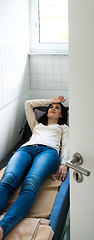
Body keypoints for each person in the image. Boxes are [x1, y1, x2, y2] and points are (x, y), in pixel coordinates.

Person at [0, 96, 69, 239]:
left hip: (49, 152)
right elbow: (28, 104)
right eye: (51, 107)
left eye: (57, 108)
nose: (53, 109)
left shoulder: (63, 128)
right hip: (26, 149)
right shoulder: (36, 125)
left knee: (30, 183)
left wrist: (63, 163)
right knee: (7, 180)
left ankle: (2, 228)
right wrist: (51, 100)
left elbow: (66, 146)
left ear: (61, 115)